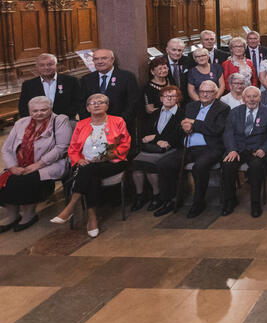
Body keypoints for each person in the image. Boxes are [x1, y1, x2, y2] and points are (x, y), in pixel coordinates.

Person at [51, 93, 131, 237]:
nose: (96, 105)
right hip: (87, 164)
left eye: (100, 102)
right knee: (90, 174)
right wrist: (79, 159)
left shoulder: (117, 121)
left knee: (88, 170)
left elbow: (125, 144)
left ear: (107, 106)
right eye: (92, 103)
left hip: (113, 162)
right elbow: (73, 148)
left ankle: (71, 206)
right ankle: (92, 217)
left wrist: (108, 155)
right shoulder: (81, 124)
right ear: (88, 108)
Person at [0, 97, 71, 232]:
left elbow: (61, 147)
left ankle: (29, 214)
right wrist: (12, 166)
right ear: (29, 111)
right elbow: (7, 148)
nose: (39, 113)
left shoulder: (60, 120)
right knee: (5, 180)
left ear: (50, 109)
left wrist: (38, 164)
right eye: (35, 111)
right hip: (21, 164)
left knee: (27, 180)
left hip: (51, 163)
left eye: (44, 110)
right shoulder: (21, 123)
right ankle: (12, 215)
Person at [219, 85, 267, 217]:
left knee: (256, 167)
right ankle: (230, 200)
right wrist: (232, 150)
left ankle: (255, 203)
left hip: (257, 150)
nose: (251, 99)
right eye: (248, 96)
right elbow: (228, 133)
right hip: (237, 149)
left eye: (255, 96)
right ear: (243, 98)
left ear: (260, 98)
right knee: (227, 165)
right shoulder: (234, 112)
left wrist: (264, 149)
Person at [177, 80, 229, 218]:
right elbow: (182, 124)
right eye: (202, 91)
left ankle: (198, 202)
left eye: (209, 92)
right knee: (166, 163)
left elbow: (216, 129)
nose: (205, 94)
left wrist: (194, 123)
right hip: (188, 146)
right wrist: (184, 126)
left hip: (210, 148)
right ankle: (170, 199)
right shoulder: (191, 106)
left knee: (199, 167)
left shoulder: (222, 108)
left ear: (215, 93)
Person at [131, 85, 184, 213]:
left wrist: (155, 137)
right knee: (136, 165)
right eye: (166, 96)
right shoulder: (155, 113)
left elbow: (177, 134)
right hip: (153, 148)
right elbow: (147, 132)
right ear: (161, 99)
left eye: (173, 96)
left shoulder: (181, 114)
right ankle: (140, 195)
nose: (169, 98)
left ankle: (157, 195)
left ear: (178, 99)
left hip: (172, 147)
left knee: (150, 166)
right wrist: (156, 138)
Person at [79, 48, 140, 124]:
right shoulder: (86, 79)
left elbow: (133, 103)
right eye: (96, 59)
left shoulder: (127, 77)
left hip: (120, 124)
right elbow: (81, 103)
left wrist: (120, 122)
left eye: (104, 58)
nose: (100, 61)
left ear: (112, 60)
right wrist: (89, 122)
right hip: (93, 125)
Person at [18, 53, 82, 120]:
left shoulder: (71, 81)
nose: (46, 68)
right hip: (38, 122)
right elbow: (23, 108)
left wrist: (59, 119)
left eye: (50, 64)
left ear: (56, 65)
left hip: (65, 120)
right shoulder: (28, 85)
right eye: (42, 65)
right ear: (36, 67)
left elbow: (77, 103)